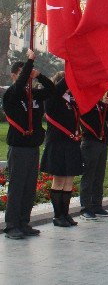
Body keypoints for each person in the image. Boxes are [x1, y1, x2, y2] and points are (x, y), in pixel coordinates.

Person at [3, 50, 55, 240]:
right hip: (18, 147)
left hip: (32, 147)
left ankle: (24, 222)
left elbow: (52, 91)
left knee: (29, 187)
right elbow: (18, 87)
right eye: (22, 73)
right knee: (17, 187)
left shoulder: (33, 94)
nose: (26, 78)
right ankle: (11, 225)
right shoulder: (12, 94)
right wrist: (29, 62)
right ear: (14, 75)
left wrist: (39, 75)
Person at [41, 72, 84, 227]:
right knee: (58, 180)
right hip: (58, 144)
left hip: (71, 144)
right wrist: (72, 70)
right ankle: (57, 215)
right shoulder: (52, 98)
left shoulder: (71, 101)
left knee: (68, 180)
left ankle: (65, 214)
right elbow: (58, 89)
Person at [79, 93, 108, 219]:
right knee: (89, 175)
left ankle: (97, 205)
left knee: (99, 175)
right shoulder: (86, 102)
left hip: (101, 142)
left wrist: (107, 106)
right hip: (90, 141)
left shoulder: (100, 104)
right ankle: (85, 208)